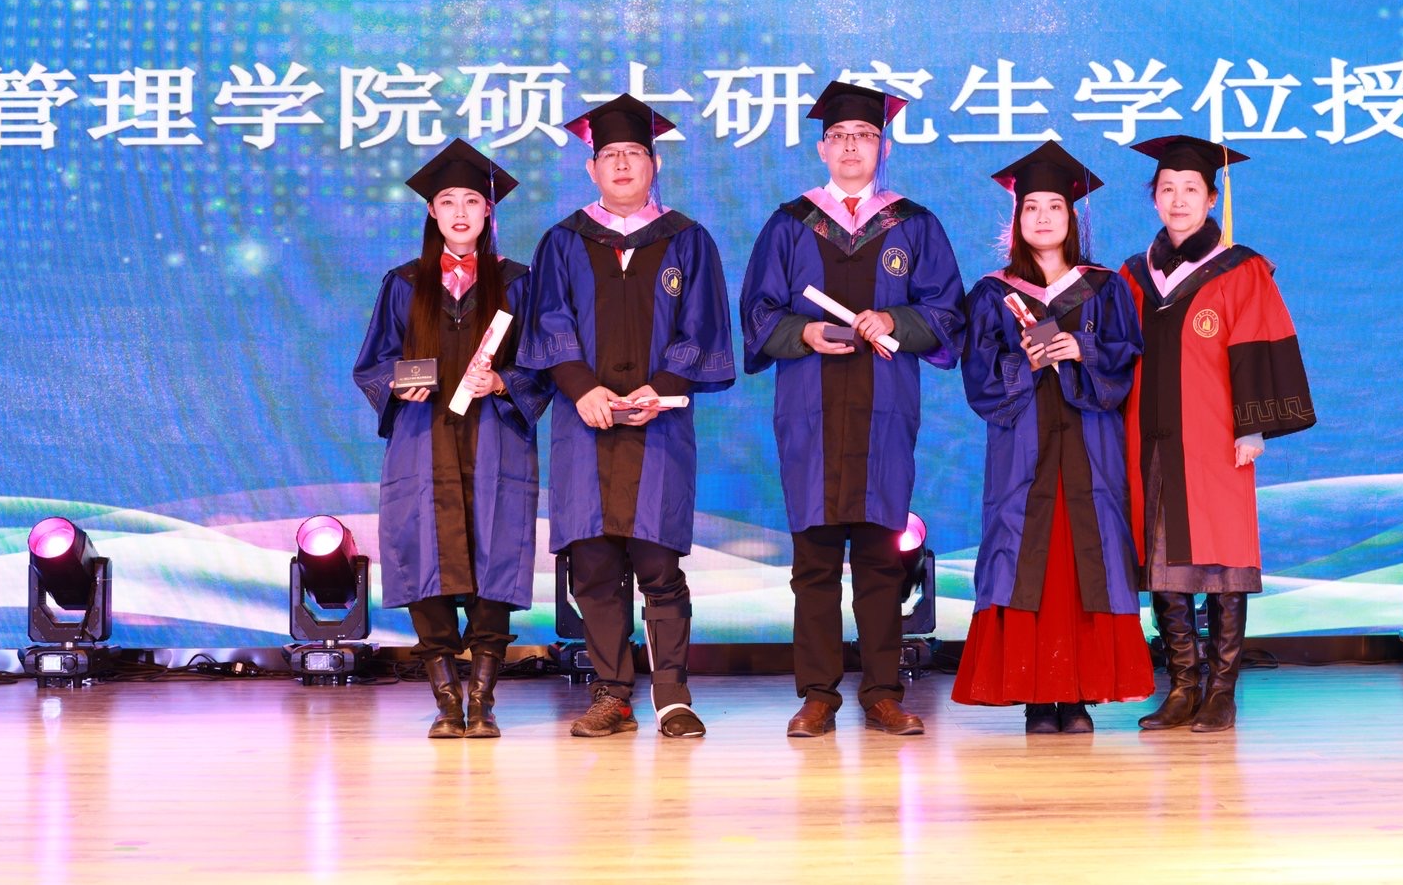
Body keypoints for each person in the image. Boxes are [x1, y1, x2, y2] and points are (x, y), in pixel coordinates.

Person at [739, 80, 965, 738]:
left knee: (878, 559)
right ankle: (817, 695)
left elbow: (948, 311)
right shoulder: (789, 224)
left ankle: (883, 692)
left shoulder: (913, 224)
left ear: (883, 147)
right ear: (821, 148)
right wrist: (805, 332)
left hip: (883, 412)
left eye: (864, 136)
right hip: (809, 412)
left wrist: (893, 318)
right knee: (812, 562)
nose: (850, 147)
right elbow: (757, 312)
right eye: (838, 136)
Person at [518, 94, 735, 739]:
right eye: (609, 154)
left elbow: (702, 327)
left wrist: (659, 389)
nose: (621, 164)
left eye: (633, 153)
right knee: (592, 566)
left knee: (659, 564)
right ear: (591, 168)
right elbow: (548, 324)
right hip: (582, 425)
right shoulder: (563, 241)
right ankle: (612, 693)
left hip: (658, 424)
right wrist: (581, 388)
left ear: (653, 164)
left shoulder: (687, 240)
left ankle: (672, 695)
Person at [951, 140, 1153, 734]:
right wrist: (1026, 362)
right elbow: (979, 377)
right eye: (1031, 207)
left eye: (1054, 207)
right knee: (1025, 556)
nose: (1042, 217)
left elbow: (1125, 359)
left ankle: (1079, 696)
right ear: (1017, 218)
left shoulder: (1104, 288)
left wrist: (1081, 348)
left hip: (1090, 448)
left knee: (1085, 556)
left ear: (1072, 216)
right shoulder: (993, 294)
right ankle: (1036, 698)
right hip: (1022, 451)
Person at [353, 138, 551, 740]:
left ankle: (483, 699)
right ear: (431, 212)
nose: (460, 212)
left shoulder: (518, 283)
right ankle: (445, 699)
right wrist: (397, 383)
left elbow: (545, 363)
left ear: (489, 211)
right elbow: (374, 363)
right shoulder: (404, 283)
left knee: (496, 550)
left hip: (496, 438)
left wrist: (504, 381)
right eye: (447, 201)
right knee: (423, 552)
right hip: (423, 440)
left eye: (471, 201)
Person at [1119, 134, 1316, 733]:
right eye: (1167, 189)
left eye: (1191, 190)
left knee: (1223, 557)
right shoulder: (1134, 274)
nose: (1178, 200)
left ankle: (1222, 692)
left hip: (1214, 434)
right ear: (1154, 198)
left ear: (1211, 199)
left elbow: (1258, 343)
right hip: (1149, 436)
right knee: (1162, 557)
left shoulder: (1240, 268)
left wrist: (1253, 427)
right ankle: (1183, 687)